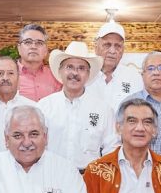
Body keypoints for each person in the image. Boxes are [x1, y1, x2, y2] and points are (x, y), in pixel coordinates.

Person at [37, 41, 117, 171]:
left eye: (81, 68)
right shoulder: (44, 106)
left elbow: (112, 147)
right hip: (51, 174)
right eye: (69, 67)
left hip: (89, 177)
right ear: (60, 71)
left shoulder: (103, 109)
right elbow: (36, 144)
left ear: (88, 74)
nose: (75, 73)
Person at [0, 56, 36, 157]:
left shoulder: (33, 108)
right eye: (0, 73)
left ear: (19, 79)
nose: (5, 78)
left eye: (10, 73)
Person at [90, 21, 142, 113]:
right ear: (96, 48)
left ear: (123, 50)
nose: (112, 51)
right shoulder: (85, 76)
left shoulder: (134, 78)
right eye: (107, 45)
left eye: (118, 46)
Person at [14, 23, 61, 101]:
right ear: (19, 49)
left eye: (39, 43)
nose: (33, 47)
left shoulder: (55, 76)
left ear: (45, 50)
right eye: (28, 42)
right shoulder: (7, 75)